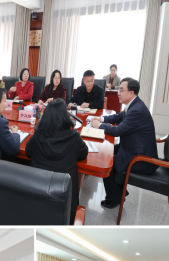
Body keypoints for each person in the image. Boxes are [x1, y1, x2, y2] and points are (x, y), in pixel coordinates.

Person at [89, 78, 160, 209]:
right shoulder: (134, 105)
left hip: (142, 158)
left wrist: (99, 125)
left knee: (106, 163)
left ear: (131, 93)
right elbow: (118, 117)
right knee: (107, 152)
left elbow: (117, 131)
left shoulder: (136, 110)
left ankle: (115, 198)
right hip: (133, 147)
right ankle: (120, 190)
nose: (118, 93)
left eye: (121, 90)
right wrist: (101, 118)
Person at [25, 99, 88, 222]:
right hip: (64, 201)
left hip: (37, 196)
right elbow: (83, 153)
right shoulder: (73, 137)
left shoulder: (38, 135)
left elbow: (28, 151)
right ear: (65, 116)